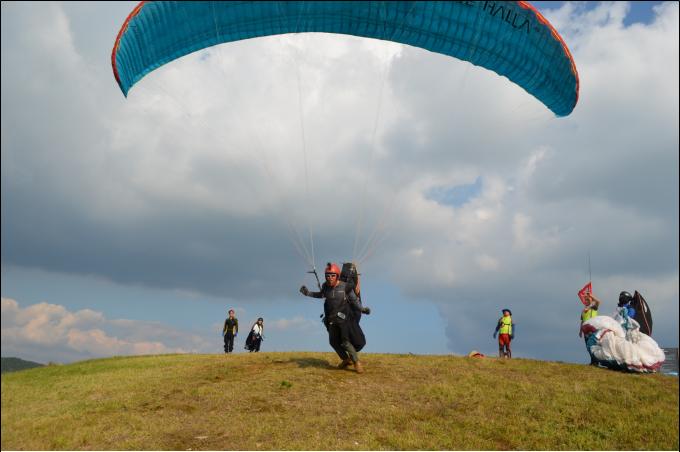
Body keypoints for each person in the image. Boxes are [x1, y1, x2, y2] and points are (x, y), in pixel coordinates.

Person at [300, 262, 370, 373]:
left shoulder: (345, 287)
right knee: (333, 342)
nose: (330, 278)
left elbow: (354, 300)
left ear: (337, 275)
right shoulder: (325, 287)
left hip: (344, 319)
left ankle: (357, 362)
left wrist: (362, 309)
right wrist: (308, 293)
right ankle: (346, 360)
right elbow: (321, 295)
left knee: (345, 342)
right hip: (332, 319)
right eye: (327, 276)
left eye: (332, 275)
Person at [579, 292, 600, 365]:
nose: (586, 301)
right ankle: (593, 361)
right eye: (586, 300)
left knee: (592, 345)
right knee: (588, 346)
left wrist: (591, 296)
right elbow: (582, 321)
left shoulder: (593, 307)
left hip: (592, 329)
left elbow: (598, 302)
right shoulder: (583, 310)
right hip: (585, 330)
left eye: (588, 300)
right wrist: (580, 331)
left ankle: (595, 361)